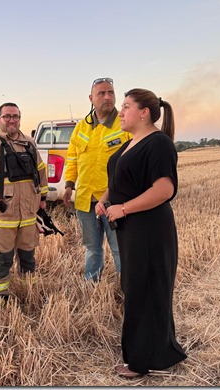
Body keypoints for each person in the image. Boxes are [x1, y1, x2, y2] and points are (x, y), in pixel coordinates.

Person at [96, 88, 187, 377]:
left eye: (125, 106)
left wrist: (124, 208)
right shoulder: (131, 143)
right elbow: (121, 177)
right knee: (135, 289)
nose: (120, 112)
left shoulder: (158, 143)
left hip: (149, 230)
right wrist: (106, 199)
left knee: (145, 290)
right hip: (132, 229)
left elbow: (164, 189)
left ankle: (143, 361)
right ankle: (152, 352)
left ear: (144, 112)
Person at [0, 102, 48, 304]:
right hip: (3, 217)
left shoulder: (30, 143)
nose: (12, 120)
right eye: (7, 116)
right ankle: (0, 299)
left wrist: (43, 200)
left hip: (28, 215)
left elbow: (41, 171)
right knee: (2, 259)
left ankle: (27, 293)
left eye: (15, 116)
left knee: (28, 258)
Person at [62, 77, 131, 282]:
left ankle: (128, 287)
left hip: (114, 200)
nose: (107, 97)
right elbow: (72, 158)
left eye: (111, 92)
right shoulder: (82, 127)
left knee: (120, 249)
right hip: (85, 199)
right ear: (91, 98)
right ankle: (91, 284)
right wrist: (68, 185)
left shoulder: (125, 123)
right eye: (102, 93)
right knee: (92, 248)